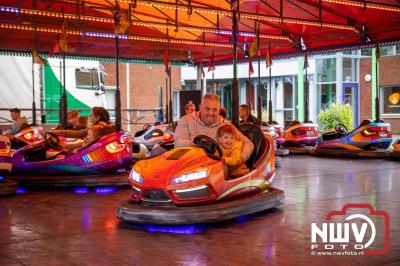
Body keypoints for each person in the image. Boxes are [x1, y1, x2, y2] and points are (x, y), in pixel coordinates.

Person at [175, 94, 254, 163]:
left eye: (214, 109)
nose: (211, 113)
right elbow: (178, 143)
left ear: (219, 110)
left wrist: (241, 159)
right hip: (190, 165)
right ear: (200, 108)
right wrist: (196, 144)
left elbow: (249, 144)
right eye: (207, 109)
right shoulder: (186, 121)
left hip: (216, 168)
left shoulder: (226, 125)